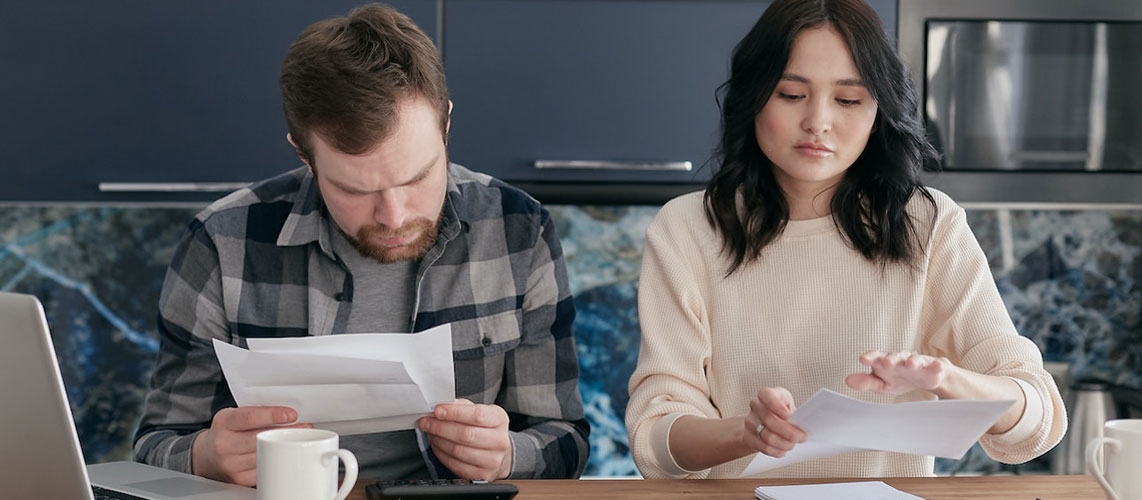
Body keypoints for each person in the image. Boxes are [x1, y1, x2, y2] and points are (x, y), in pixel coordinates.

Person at [133, 4, 588, 484]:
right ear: (302, 154)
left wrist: (508, 456)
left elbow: (566, 442)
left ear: (446, 124)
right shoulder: (221, 242)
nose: (395, 216)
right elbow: (151, 449)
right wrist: (204, 456)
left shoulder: (519, 230)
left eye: (418, 177)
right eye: (355, 190)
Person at [625, 0, 1065, 479]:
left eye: (849, 100)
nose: (818, 121)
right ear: (753, 98)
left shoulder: (927, 223)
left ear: (879, 111)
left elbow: (1036, 421)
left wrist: (948, 380)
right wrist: (745, 432)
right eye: (791, 95)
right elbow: (655, 438)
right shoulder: (688, 228)